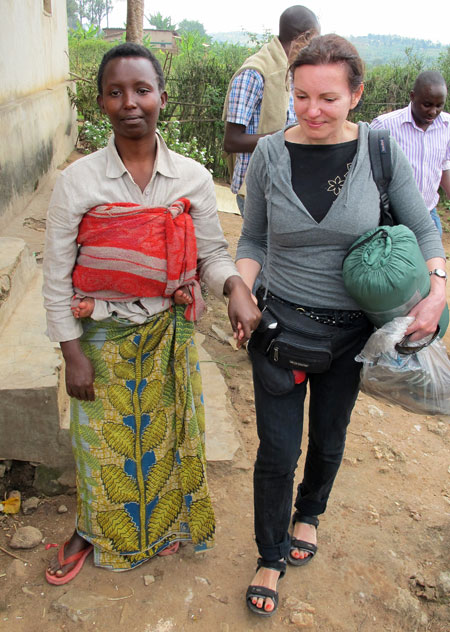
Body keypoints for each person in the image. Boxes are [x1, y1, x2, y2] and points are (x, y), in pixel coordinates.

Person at [228, 34, 447, 616]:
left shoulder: (379, 152)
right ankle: (269, 553)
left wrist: (438, 290)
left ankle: (310, 514)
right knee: (277, 450)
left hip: (352, 333)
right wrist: (241, 287)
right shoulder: (271, 154)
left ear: (356, 94)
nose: (311, 111)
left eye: (327, 97)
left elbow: (424, 227)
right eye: (300, 97)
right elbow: (252, 237)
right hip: (279, 327)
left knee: (329, 435)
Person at [43, 43, 259, 583]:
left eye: (141, 90)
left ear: (163, 97)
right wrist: (72, 352)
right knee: (98, 445)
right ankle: (89, 529)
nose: (130, 102)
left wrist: (233, 284)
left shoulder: (189, 177)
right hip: (100, 338)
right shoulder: (79, 183)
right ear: (101, 103)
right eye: (115, 92)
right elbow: (56, 275)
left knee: (165, 436)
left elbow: (209, 252)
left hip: (168, 334)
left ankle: (160, 527)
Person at [222, 5, 319, 216]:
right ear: (306, 36)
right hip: (256, 187)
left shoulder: (288, 71)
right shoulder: (255, 73)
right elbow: (232, 141)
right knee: (264, 247)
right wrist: (288, 137)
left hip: (281, 184)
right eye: (315, 41)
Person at [371, 71, 450, 235]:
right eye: (427, 105)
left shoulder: (447, 126)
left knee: (432, 259)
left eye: (439, 106)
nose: (433, 112)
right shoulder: (385, 126)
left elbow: (443, 167)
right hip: (392, 221)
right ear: (413, 96)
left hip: (428, 216)